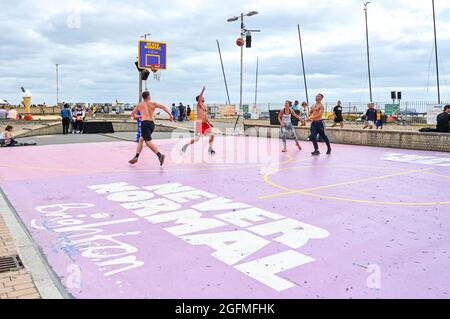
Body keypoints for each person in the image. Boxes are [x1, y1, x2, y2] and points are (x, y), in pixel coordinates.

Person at [128, 91, 173, 166]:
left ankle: (160, 155)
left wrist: (140, 116)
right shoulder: (153, 104)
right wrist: (170, 115)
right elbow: (163, 107)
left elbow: (132, 115)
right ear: (148, 96)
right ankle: (136, 157)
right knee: (141, 139)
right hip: (152, 124)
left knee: (148, 142)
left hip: (145, 124)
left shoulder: (140, 105)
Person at [182, 86, 215, 155]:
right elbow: (200, 98)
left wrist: (209, 123)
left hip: (205, 124)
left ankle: (210, 149)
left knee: (212, 136)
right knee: (197, 139)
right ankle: (185, 146)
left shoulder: (204, 106)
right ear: (199, 99)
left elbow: (205, 116)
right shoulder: (199, 104)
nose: (203, 98)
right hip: (199, 123)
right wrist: (202, 91)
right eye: (202, 97)